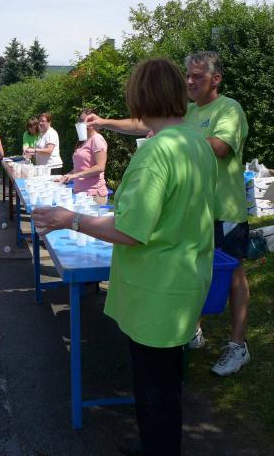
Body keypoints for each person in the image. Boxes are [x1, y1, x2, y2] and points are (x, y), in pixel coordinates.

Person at [33, 58, 217, 455]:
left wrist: (69, 219)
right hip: (185, 280)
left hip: (157, 290)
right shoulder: (195, 142)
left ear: (140, 97)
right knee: (165, 387)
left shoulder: (157, 153)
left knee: (155, 391)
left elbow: (131, 231)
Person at [86, 51, 252, 377]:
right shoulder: (186, 112)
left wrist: (171, 138)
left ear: (216, 79)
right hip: (190, 206)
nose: (190, 81)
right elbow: (144, 122)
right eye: (187, 75)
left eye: (198, 76)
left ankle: (237, 343)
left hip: (224, 208)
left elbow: (219, 147)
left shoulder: (229, 109)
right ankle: (190, 328)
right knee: (189, 264)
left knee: (231, 274)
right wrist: (105, 122)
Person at [59, 108, 108, 202]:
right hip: (81, 193)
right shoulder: (83, 140)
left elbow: (100, 167)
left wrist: (75, 176)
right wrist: (66, 176)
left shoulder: (97, 139)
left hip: (93, 194)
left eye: (87, 120)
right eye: (80, 121)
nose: (83, 123)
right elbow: (81, 167)